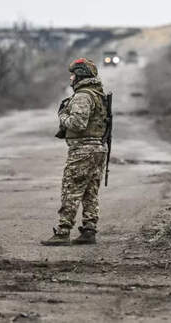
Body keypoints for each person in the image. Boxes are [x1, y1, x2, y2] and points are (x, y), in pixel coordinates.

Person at [41, 58, 108, 246]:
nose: (71, 78)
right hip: (97, 149)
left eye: (73, 75)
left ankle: (63, 232)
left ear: (80, 75)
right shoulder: (97, 94)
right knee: (90, 191)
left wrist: (62, 116)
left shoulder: (83, 96)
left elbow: (78, 124)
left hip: (83, 149)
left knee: (71, 189)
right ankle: (89, 230)